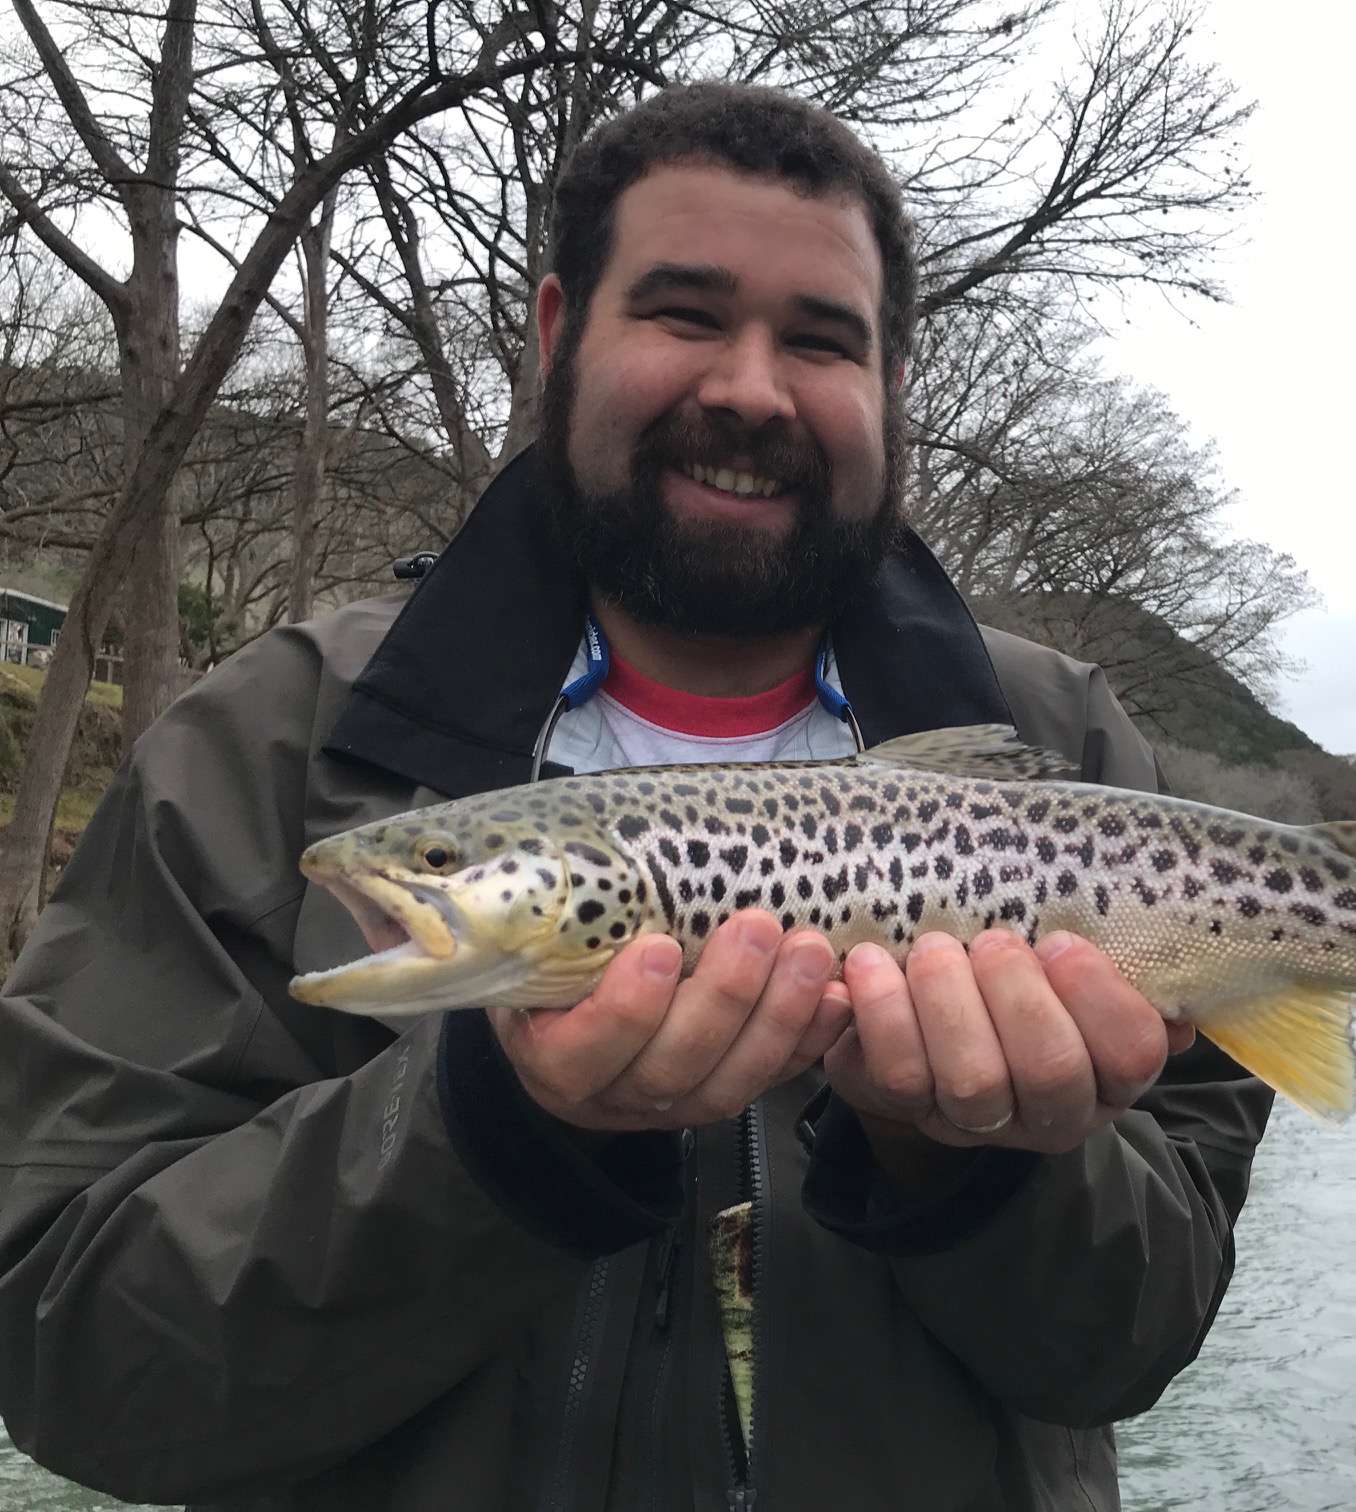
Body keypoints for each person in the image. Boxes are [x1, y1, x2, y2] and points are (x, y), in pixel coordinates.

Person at [0, 84, 1272, 1512]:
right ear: (559, 336)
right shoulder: (274, 738)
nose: (749, 385)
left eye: (820, 338)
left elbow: (1129, 1349)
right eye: (682, 312)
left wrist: (962, 1161)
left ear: (888, 388)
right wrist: (486, 1133)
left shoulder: (1069, 745)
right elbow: (70, 1355)